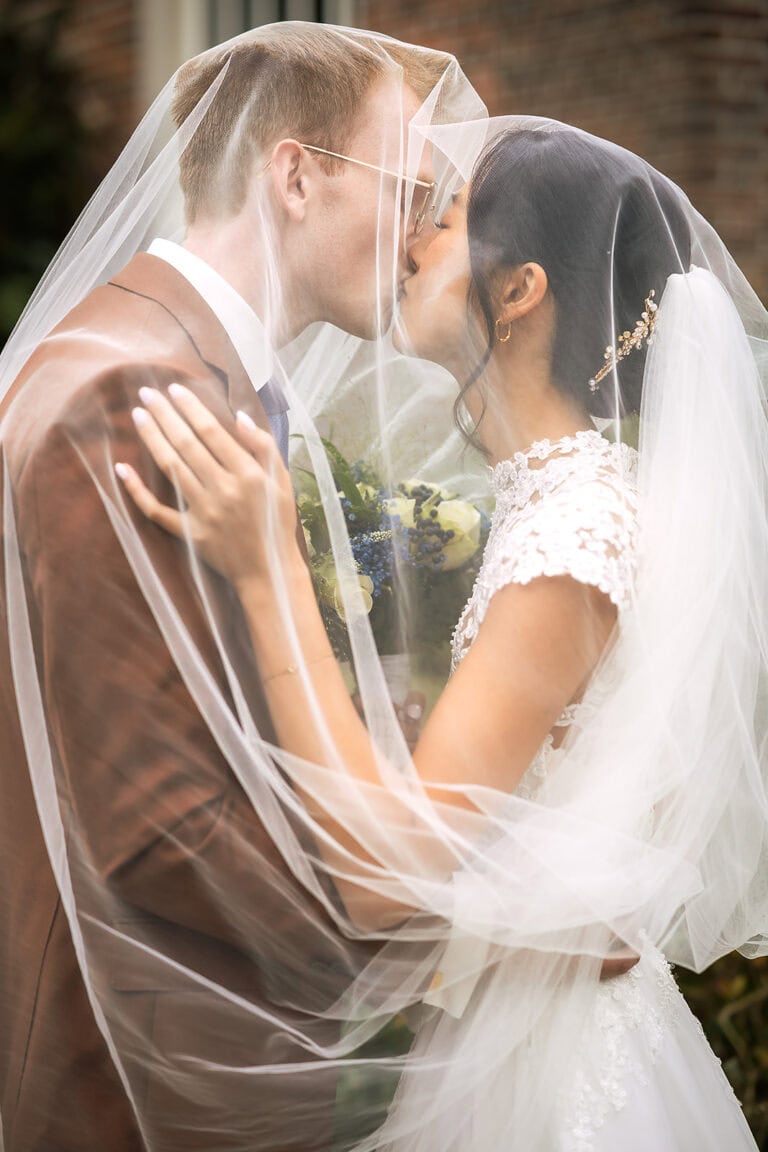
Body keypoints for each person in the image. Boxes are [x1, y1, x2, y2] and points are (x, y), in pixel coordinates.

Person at [121, 121, 768, 1149]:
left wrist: (272, 563)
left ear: (519, 292)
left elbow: (388, 882)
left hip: (556, 1079)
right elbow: (500, 810)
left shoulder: (574, 536)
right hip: (502, 1034)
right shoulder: (546, 501)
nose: (412, 240)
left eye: (448, 217)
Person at [0, 24, 485, 1151]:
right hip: (131, 1080)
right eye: (407, 189)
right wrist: (435, 937)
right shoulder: (130, 395)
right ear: (297, 175)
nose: (422, 234)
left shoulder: (176, 365)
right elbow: (155, 824)